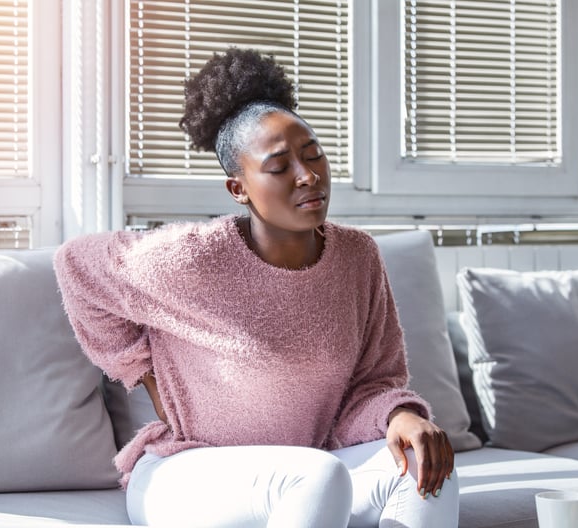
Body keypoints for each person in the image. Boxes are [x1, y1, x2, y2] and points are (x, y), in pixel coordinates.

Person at [54, 47, 458, 528]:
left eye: (313, 156)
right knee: (318, 477)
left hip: (308, 470)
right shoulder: (192, 257)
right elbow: (75, 264)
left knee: (425, 469)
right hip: (186, 473)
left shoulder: (358, 257)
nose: (308, 176)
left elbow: (372, 383)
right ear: (238, 188)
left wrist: (400, 417)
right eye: (279, 166)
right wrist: (143, 371)